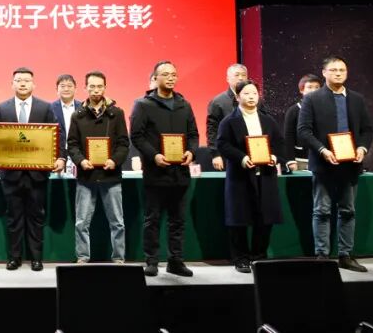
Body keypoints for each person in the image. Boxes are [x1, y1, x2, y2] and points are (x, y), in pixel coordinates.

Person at [0, 67, 66, 272]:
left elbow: (58, 135)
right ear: (12, 84)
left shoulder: (45, 108)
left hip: (37, 174)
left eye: (27, 80)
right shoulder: (2, 108)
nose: (23, 83)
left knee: (37, 217)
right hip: (11, 174)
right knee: (14, 217)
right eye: (18, 80)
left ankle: (36, 258)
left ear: (33, 84)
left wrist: (61, 158)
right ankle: (15, 258)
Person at [297, 56, 373, 272]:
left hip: (350, 165)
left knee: (348, 211)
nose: (338, 73)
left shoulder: (357, 99)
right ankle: (322, 255)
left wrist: (362, 148)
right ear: (324, 73)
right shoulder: (312, 99)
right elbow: (303, 131)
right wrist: (322, 150)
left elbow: (367, 130)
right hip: (323, 164)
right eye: (333, 70)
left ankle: (345, 255)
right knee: (321, 210)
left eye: (342, 70)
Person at [130, 60, 198, 277]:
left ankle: (175, 261)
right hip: (155, 172)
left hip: (180, 173)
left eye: (173, 74)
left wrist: (191, 152)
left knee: (178, 220)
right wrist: (154, 156)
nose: (170, 78)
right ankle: (151, 261)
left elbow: (193, 134)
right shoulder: (143, 104)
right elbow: (137, 136)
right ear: (155, 78)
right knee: (152, 219)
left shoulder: (184, 104)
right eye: (166, 74)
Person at [216, 80, 284, 273]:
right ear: (237, 97)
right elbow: (223, 144)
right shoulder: (229, 121)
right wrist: (242, 158)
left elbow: (280, 143)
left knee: (265, 218)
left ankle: (259, 255)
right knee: (239, 218)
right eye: (246, 93)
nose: (251, 97)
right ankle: (240, 258)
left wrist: (274, 157)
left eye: (254, 93)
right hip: (241, 176)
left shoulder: (268, 120)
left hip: (265, 175)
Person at [66, 71, 129, 263]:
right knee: (81, 222)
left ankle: (118, 258)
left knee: (117, 222)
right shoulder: (77, 115)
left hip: (111, 176)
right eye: (92, 86)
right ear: (85, 87)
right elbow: (72, 144)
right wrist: (81, 161)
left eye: (99, 86)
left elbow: (123, 143)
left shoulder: (116, 113)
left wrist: (115, 160)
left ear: (105, 87)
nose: (96, 90)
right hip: (86, 177)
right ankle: (82, 257)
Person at [206, 63, 249, 171]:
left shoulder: (255, 100)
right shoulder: (218, 102)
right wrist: (215, 154)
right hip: (227, 155)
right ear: (228, 79)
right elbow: (212, 130)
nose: (241, 78)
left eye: (243, 75)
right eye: (237, 75)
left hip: (251, 154)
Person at [282, 74, 324, 172]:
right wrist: (291, 160)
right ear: (302, 90)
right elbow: (288, 136)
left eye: (317, 87)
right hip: (300, 160)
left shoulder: (325, 109)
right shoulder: (293, 110)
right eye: (310, 87)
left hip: (322, 159)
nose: (313, 90)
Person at [50, 74, 82, 147]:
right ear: (57, 89)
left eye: (69, 86)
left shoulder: (83, 108)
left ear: (75, 89)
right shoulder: (50, 109)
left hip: (78, 151)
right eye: (62, 86)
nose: (66, 89)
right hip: (57, 150)